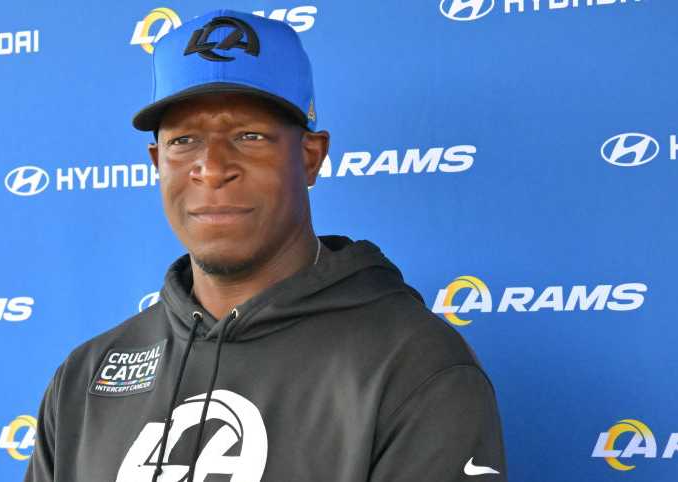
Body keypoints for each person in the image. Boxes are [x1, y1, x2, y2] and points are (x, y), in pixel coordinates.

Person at [25, 9, 507, 482]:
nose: (212, 168)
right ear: (157, 162)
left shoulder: (413, 365)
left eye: (249, 136)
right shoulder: (88, 375)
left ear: (310, 157)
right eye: (184, 141)